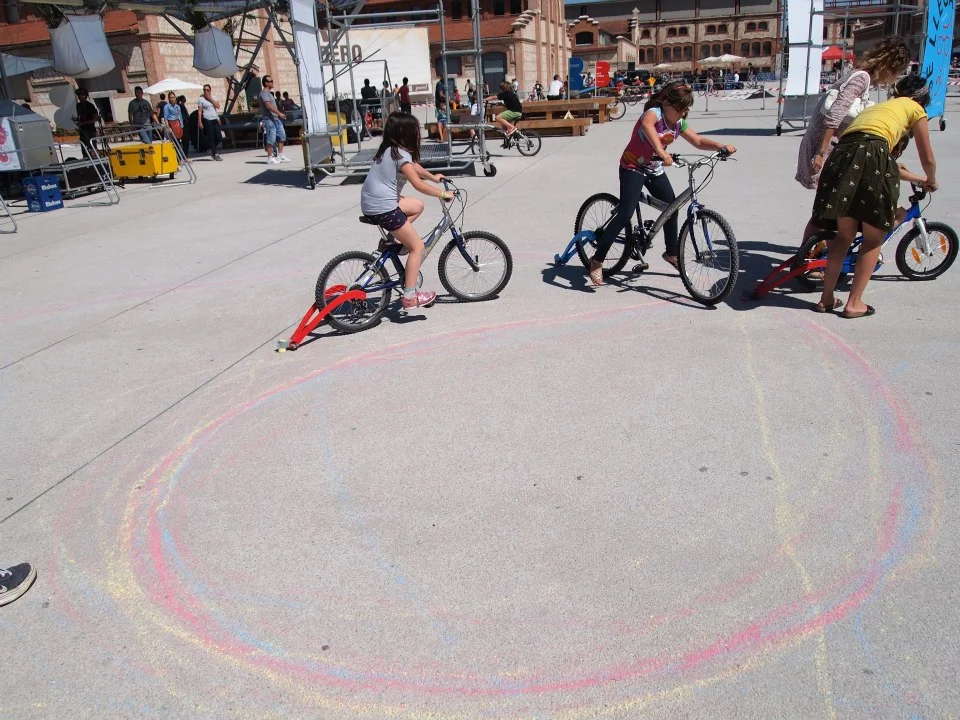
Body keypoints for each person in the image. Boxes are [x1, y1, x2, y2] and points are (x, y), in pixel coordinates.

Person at [810, 75, 937, 318]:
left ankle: (826, 299)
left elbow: (869, 150)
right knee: (873, 238)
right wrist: (931, 178)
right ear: (921, 99)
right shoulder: (915, 109)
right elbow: (927, 157)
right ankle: (854, 303)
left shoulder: (880, 108)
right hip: (872, 153)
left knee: (844, 236)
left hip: (842, 153)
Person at [586, 82, 737, 286]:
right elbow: (647, 127)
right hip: (633, 166)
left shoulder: (679, 123)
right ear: (667, 103)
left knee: (672, 208)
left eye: (686, 109)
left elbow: (698, 141)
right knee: (625, 214)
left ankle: (671, 253)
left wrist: (721, 147)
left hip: (654, 169)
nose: (683, 114)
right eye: (680, 109)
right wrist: (662, 152)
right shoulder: (654, 114)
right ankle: (597, 259)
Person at [796, 38, 911, 260]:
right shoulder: (861, 78)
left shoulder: (859, 77)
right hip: (827, 148)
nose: (894, 78)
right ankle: (811, 259)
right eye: (896, 72)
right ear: (889, 66)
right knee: (827, 211)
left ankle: (821, 256)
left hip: (830, 147)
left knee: (830, 210)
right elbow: (836, 114)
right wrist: (821, 153)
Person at [359, 113, 453, 311]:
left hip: (373, 203)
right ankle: (410, 296)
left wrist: (433, 177)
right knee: (417, 247)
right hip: (384, 207)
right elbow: (417, 184)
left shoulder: (390, 150)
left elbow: (413, 167)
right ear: (406, 133)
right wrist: (442, 193)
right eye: (416, 131)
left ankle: (391, 240)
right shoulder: (400, 154)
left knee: (417, 205)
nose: (418, 135)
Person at [259, 75, 288, 164]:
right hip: (269, 119)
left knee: (282, 136)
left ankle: (280, 156)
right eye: (270, 81)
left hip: (275, 118)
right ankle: (270, 158)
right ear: (266, 83)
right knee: (271, 138)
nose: (272, 82)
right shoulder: (264, 93)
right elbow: (268, 105)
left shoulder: (269, 93)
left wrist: (278, 114)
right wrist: (279, 113)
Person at [486, 81, 524, 148]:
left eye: (501, 88)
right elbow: (511, 104)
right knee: (503, 124)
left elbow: (494, 97)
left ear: (503, 88)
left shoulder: (505, 93)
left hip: (514, 112)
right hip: (517, 112)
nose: (500, 90)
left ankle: (513, 128)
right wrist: (501, 104)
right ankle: (507, 142)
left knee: (497, 117)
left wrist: (483, 99)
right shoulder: (510, 93)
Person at [198, 83, 223, 161]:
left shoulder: (213, 97)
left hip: (215, 119)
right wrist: (200, 121)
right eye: (204, 90)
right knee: (211, 137)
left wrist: (210, 99)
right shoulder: (201, 99)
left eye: (207, 90)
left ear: (210, 91)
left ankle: (213, 149)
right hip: (207, 119)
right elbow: (200, 111)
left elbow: (218, 107)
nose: (206, 91)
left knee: (219, 137)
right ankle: (215, 153)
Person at [74, 88, 100, 158]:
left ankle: (94, 160)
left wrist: (84, 123)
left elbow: (95, 119)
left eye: (81, 95)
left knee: (92, 148)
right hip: (82, 130)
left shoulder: (90, 106)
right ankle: (86, 160)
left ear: (85, 96)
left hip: (90, 130)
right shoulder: (78, 105)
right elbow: (79, 116)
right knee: (84, 149)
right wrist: (77, 120)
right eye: (78, 95)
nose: (79, 96)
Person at [162, 91, 186, 156]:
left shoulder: (177, 106)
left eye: (173, 97)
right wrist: (168, 128)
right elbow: (165, 118)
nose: (172, 99)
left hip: (178, 124)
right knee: (175, 142)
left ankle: (182, 156)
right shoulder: (166, 107)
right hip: (171, 124)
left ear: (175, 98)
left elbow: (180, 116)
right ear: (169, 99)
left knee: (182, 141)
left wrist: (182, 125)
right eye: (171, 97)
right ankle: (177, 157)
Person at [434, 76, 448, 142]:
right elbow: (440, 94)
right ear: (441, 77)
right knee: (440, 122)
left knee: (444, 123)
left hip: (441, 103)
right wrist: (448, 98)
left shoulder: (442, 84)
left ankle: (442, 138)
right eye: (444, 77)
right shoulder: (439, 84)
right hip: (440, 103)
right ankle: (442, 138)